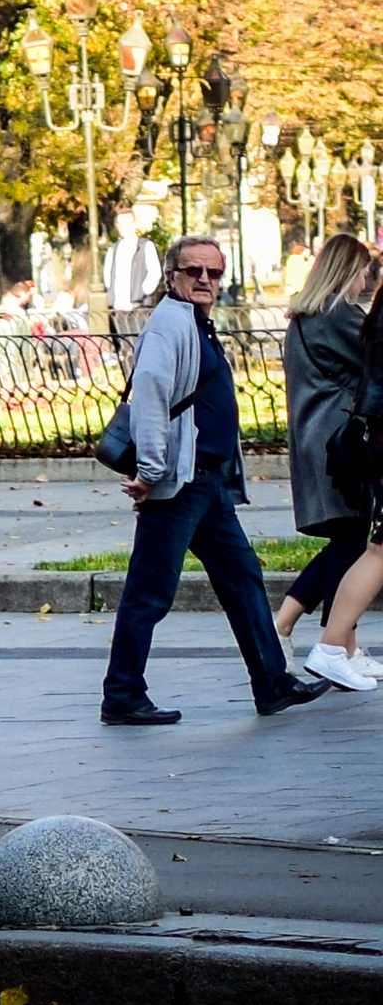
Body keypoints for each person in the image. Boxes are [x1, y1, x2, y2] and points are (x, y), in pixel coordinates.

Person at [100, 236, 327, 725]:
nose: (205, 280)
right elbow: (153, 399)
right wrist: (151, 472)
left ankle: (271, 683)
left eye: (214, 273)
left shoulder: (198, 324)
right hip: (181, 485)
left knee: (243, 579)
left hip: (207, 487)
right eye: (193, 271)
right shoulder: (169, 324)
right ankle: (121, 695)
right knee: (150, 592)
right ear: (171, 277)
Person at [274, 236, 378, 659]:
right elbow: (378, 359)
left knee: (346, 539)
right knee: (354, 542)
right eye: (362, 272)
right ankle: (339, 651)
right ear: (346, 271)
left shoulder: (304, 315)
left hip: (316, 439)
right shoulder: (337, 313)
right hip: (341, 444)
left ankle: (283, 625)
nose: (365, 281)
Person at [296, 279, 383, 691]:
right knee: (376, 547)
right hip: (367, 437)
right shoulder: (341, 313)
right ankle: (332, 647)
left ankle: (329, 645)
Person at [103, 214, 162, 335]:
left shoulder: (145, 246)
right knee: (123, 344)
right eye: (120, 224)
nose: (124, 227)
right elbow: (107, 275)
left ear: (134, 224)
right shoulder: (113, 249)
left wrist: (143, 291)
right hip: (118, 307)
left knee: (139, 342)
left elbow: (155, 272)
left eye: (127, 223)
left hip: (139, 307)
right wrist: (112, 292)